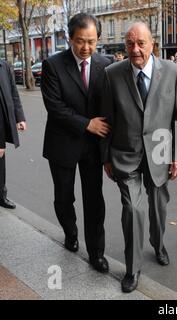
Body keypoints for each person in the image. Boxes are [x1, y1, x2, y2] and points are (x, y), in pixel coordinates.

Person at [101, 22, 177, 293]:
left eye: (141, 43)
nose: (135, 49)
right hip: (126, 157)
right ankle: (132, 268)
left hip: (161, 155)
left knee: (158, 209)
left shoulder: (173, 72)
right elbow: (107, 120)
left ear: (152, 44)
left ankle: (158, 244)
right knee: (133, 210)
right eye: (129, 44)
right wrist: (106, 158)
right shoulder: (112, 74)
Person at [41, 13, 111, 273]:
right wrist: (86, 124)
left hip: (93, 147)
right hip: (63, 144)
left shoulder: (106, 65)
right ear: (69, 38)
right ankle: (70, 233)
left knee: (94, 201)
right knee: (63, 198)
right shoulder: (53, 65)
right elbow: (55, 108)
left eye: (91, 41)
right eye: (80, 41)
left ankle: (96, 253)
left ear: (98, 39)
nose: (86, 48)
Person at [0, 60, 27, 209]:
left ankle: (1, 196)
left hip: (2, 121)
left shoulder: (4, 66)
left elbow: (13, 93)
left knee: (0, 160)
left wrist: (20, 117)